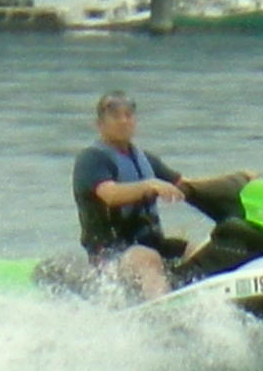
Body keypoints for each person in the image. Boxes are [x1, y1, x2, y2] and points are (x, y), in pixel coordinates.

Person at [73, 91, 192, 298]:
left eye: (128, 115)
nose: (123, 121)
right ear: (99, 124)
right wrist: (149, 185)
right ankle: (163, 309)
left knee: (197, 250)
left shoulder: (144, 159)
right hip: (110, 253)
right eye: (115, 116)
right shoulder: (91, 159)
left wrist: (237, 182)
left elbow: (186, 185)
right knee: (146, 258)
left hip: (152, 244)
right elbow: (110, 194)